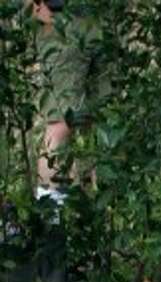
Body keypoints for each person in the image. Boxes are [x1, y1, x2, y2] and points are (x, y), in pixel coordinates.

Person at [30, 0, 103, 215]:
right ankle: (51, 217)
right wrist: (37, 7)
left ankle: (88, 216)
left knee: (97, 120)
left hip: (98, 17)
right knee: (60, 124)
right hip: (63, 21)